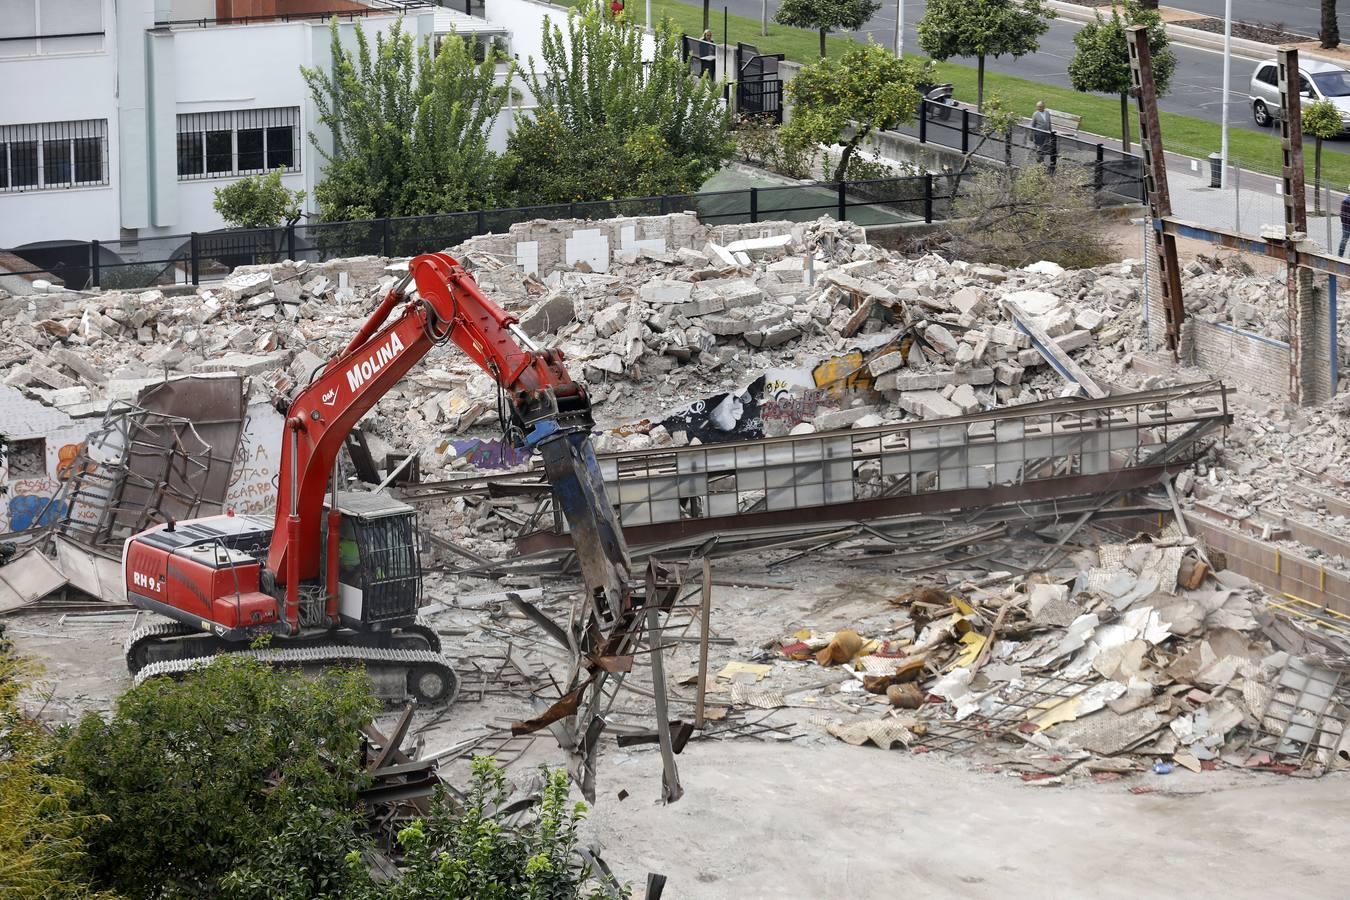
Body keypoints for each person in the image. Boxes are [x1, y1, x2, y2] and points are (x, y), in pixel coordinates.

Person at [1031, 101, 1055, 172]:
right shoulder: (1035, 114)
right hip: (1039, 134)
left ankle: (1041, 161)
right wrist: (1031, 135)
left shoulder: (1047, 113)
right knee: (1040, 149)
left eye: (1040, 107)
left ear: (1044, 107)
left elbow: (1049, 123)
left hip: (1046, 134)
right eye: (1038, 106)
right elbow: (1032, 125)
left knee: (1045, 148)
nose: (1039, 108)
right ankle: (1039, 162)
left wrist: (1051, 131)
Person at [1340, 187, 1350, 257]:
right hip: (1347, 224)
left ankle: (1340, 256)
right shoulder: (1346, 201)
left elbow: (1342, 215)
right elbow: (1343, 215)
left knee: (1344, 240)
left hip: (1346, 224)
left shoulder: (1345, 200)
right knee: (1344, 240)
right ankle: (1340, 255)